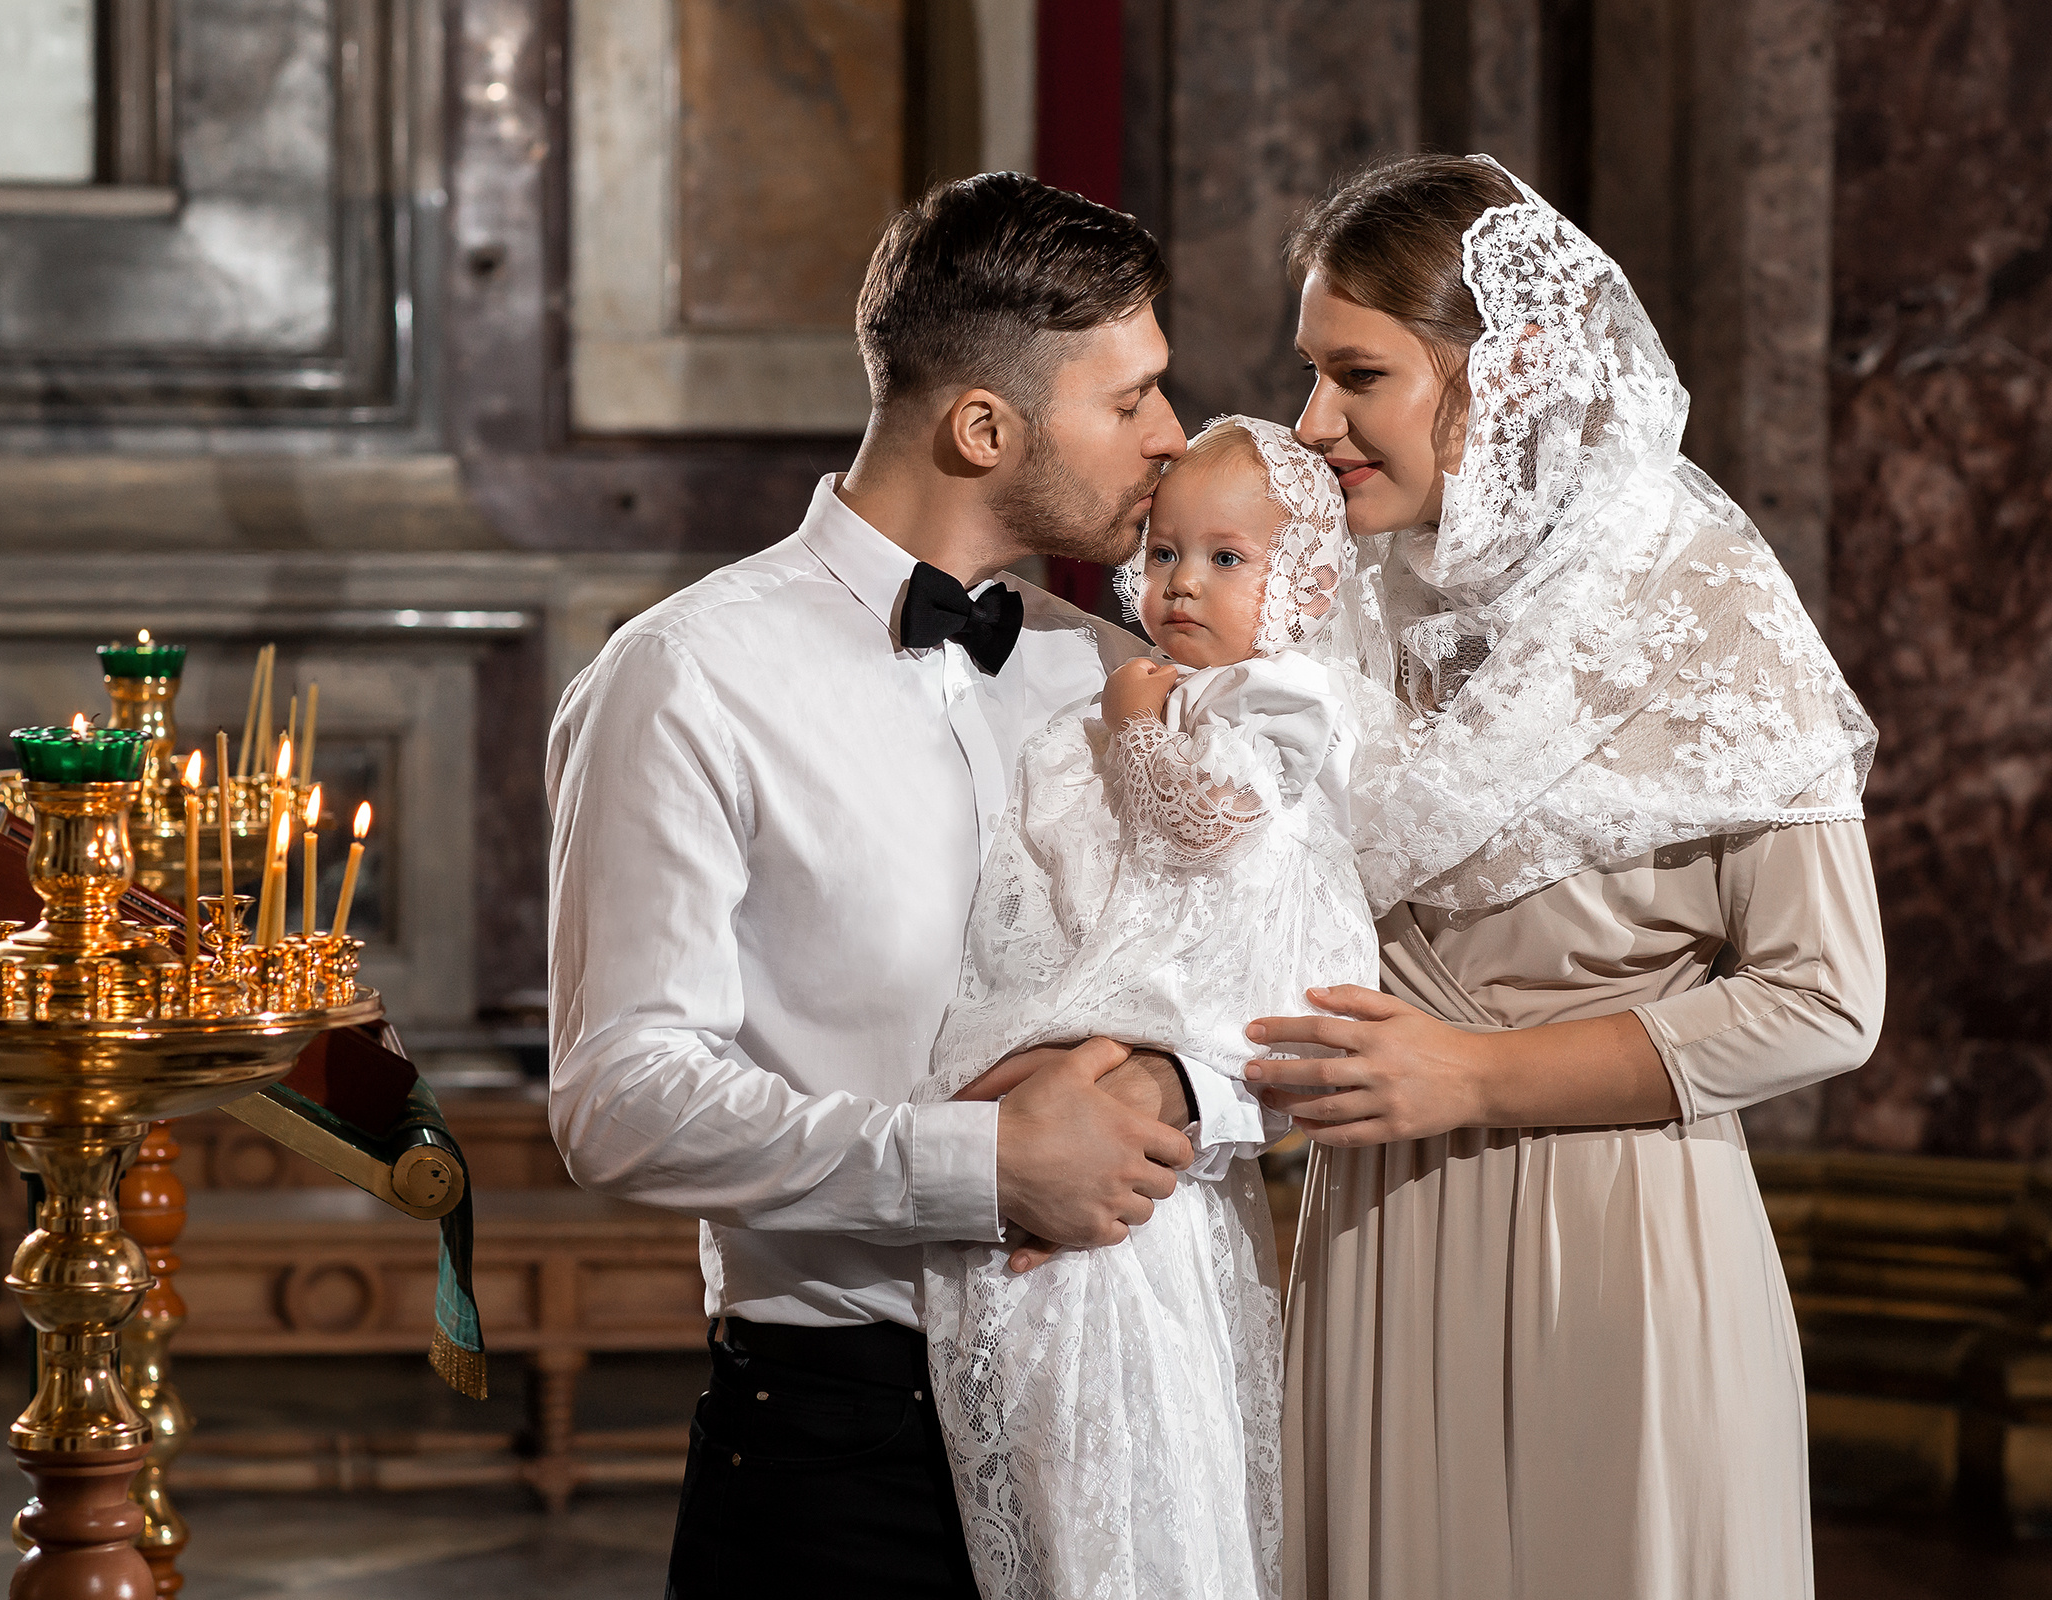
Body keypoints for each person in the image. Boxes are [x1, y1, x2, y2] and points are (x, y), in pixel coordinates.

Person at [547, 173, 1269, 1599]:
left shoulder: (1118, 676)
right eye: (1129, 400)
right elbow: (617, 1097)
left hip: (1131, 1409)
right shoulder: (685, 678)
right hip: (840, 1440)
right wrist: (980, 1165)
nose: (1172, 439)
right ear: (983, 427)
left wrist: (1181, 1091)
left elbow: (1264, 975)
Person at [1253, 154, 1885, 1597]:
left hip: (1622, 1253)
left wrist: (1474, 1081)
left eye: (1359, 375)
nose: (1311, 423)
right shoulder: (1320, 603)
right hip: (1374, 1241)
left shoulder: (1697, 602)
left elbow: (1826, 1000)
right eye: (1308, 373)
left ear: (1510, 368)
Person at [918, 415, 1376, 1600]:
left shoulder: (1279, 702)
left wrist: (1137, 723)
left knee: (1137, 1435)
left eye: (1228, 558)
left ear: (1307, 578)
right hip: (1069, 1014)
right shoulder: (1115, 690)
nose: (1181, 583)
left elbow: (1207, 824)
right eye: (1166, 554)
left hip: (1184, 1034)